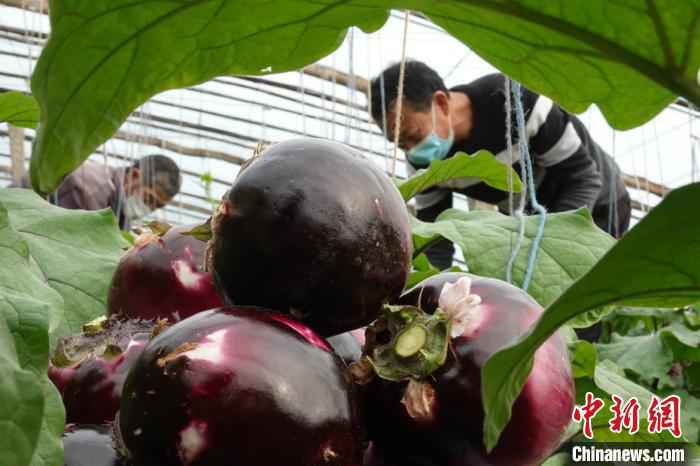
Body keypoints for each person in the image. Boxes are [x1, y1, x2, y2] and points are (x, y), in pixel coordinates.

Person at [370, 60, 632, 270]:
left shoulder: (515, 102)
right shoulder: (422, 162)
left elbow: (583, 178)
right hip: (530, 220)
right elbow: (435, 237)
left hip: (599, 202)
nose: (412, 150)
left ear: (440, 103)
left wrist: (550, 241)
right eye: (401, 144)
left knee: (576, 298)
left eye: (414, 135)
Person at [11, 154, 181, 230]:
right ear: (135, 175)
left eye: (155, 207)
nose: (148, 208)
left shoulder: (117, 206)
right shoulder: (92, 189)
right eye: (148, 198)